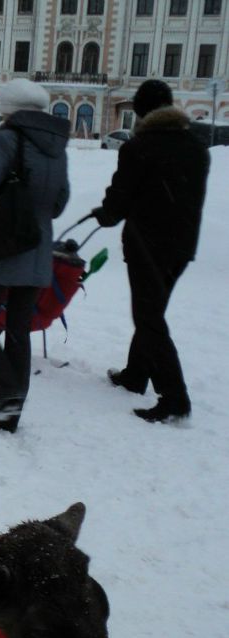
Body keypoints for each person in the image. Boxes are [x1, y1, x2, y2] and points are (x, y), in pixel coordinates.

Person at [92, 80, 209, 423]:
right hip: (182, 247)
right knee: (152, 310)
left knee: (148, 317)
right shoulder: (196, 145)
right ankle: (135, 374)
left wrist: (107, 214)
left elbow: (120, 200)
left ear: (143, 111)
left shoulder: (140, 147)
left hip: (147, 245)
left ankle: (175, 397)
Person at [0, 78, 70, 433]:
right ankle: (10, 409)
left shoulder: (8, 138)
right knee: (18, 328)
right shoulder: (57, 146)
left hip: (4, 248)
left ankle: (7, 395)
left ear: (8, 108)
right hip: (38, 248)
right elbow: (57, 204)